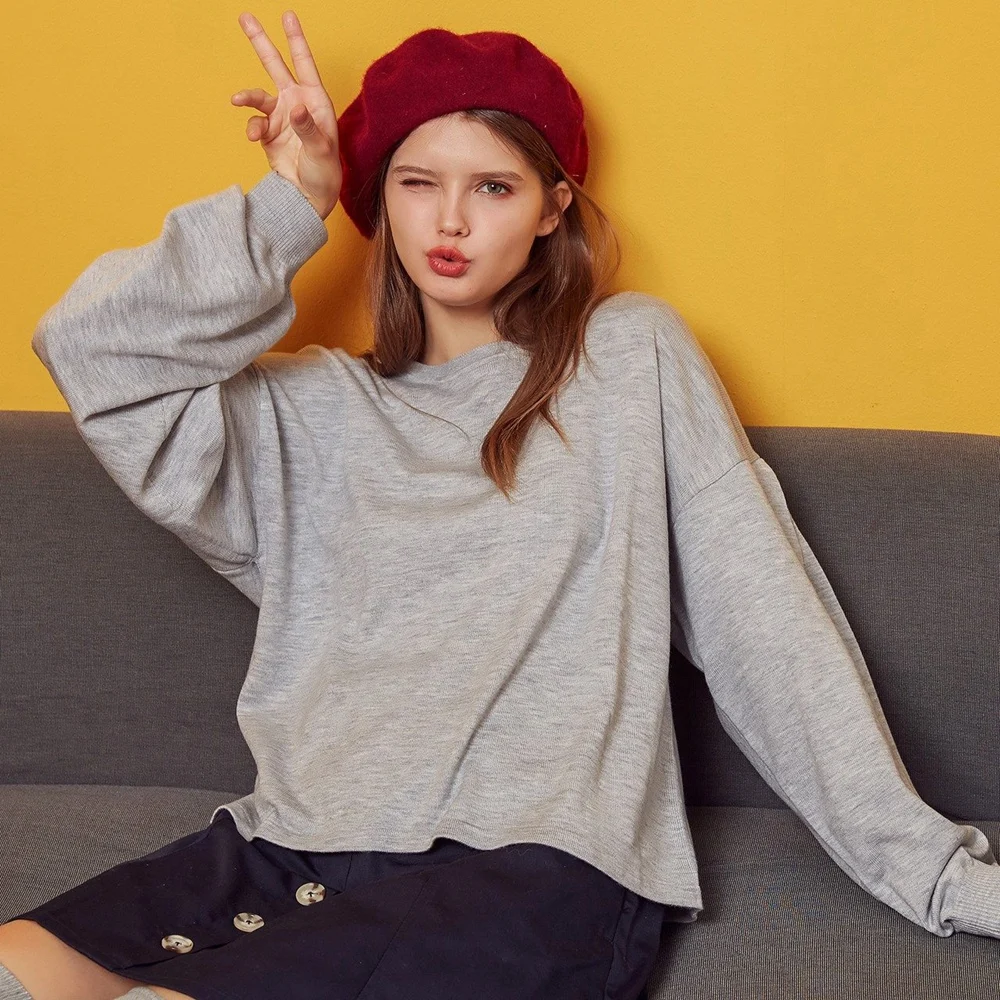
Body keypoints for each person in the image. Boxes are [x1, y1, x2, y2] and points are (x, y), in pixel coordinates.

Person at [1, 9, 997, 1000]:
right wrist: (291, 202)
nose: (450, 221)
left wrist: (934, 873)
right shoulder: (302, 410)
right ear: (378, 200)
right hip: (288, 846)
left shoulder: (627, 358)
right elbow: (90, 350)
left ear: (553, 206)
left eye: (493, 186)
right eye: (416, 182)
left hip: (533, 870)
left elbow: (763, 624)